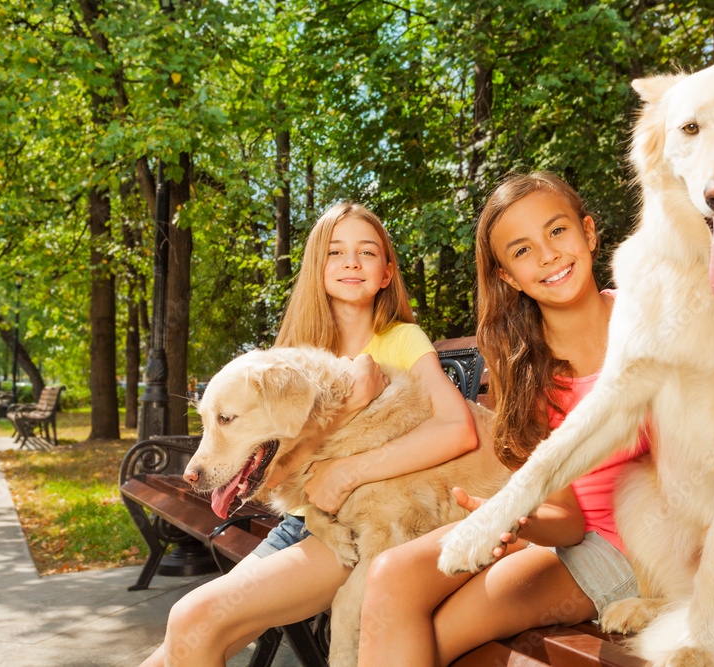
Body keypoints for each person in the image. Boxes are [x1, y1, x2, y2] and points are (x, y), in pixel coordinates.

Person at [142, 201, 477, 667]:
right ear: (316, 267)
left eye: (367, 252)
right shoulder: (299, 354)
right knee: (179, 643)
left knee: (191, 617)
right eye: (335, 252)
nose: (352, 262)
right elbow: (281, 477)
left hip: (355, 530)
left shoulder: (402, 340)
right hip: (305, 522)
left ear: (387, 272)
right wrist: (353, 404)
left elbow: (459, 430)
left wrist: (344, 471)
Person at [357, 171, 652, 667]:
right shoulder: (529, 369)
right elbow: (567, 522)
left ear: (590, 233)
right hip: (574, 541)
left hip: (644, 550)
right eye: (521, 251)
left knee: (442, 640)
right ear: (508, 278)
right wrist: (516, 515)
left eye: (557, 231)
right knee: (391, 573)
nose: (548, 255)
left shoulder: (649, 320)